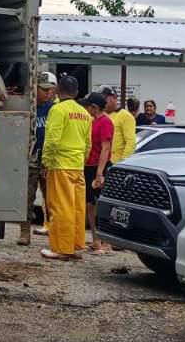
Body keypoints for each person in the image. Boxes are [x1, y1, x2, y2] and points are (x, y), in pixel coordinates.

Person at [40, 75, 90, 262]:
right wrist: (81, 161)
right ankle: (75, 246)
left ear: (58, 91)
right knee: (77, 208)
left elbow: (52, 139)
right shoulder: (84, 113)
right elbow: (88, 144)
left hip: (60, 165)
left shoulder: (58, 110)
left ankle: (61, 248)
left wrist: (46, 162)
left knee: (60, 207)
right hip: (77, 166)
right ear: (77, 93)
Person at [18, 72, 58, 245]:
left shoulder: (54, 109)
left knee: (52, 197)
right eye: (44, 89)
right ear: (35, 88)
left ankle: (54, 231)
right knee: (28, 195)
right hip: (32, 156)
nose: (48, 93)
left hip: (49, 158)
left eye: (50, 90)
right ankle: (25, 232)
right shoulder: (29, 106)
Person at [82, 93, 115, 253]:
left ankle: (106, 243)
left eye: (88, 106)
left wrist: (100, 173)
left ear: (94, 107)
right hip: (89, 166)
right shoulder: (92, 121)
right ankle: (96, 240)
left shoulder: (105, 122)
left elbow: (106, 148)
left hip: (99, 166)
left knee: (100, 204)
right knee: (90, 204)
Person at [109, 92, 137, 163]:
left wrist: (123, 162)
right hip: (100, 161)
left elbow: (131, 142)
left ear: (115, 98)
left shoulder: (125, 116)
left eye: (107, 98)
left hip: (115, 162)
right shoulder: (100, 115)